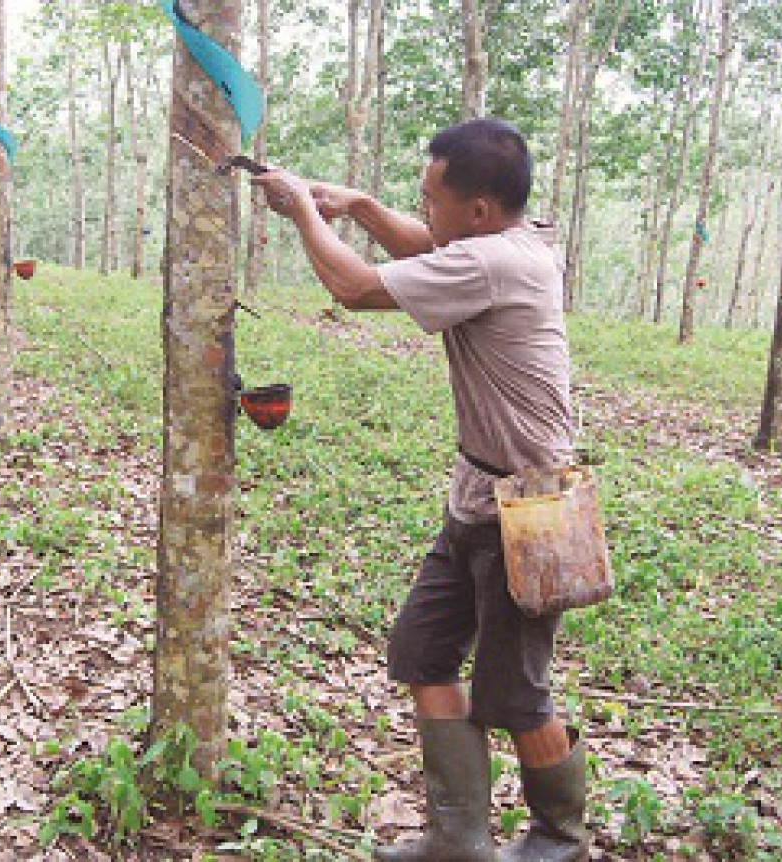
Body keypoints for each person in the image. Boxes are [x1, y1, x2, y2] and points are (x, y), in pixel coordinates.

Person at [250, 118, 589, 862]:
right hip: (477, 496)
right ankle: (457, 840)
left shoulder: (500, 262)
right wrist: (362, 207)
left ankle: (561, 839)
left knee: (517, 695)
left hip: (532, 510)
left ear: (478, 211)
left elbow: (355, 287)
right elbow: (424, 247)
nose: (424, 209)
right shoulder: (501, 241)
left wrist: (304, 210)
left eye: (431, 198)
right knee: (422, 654)